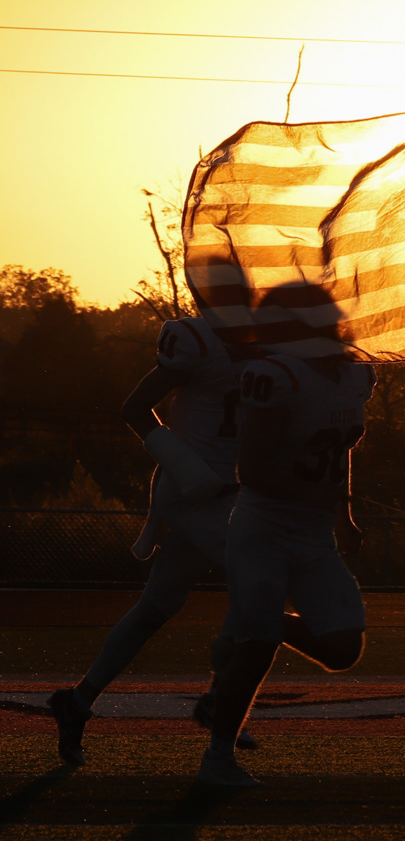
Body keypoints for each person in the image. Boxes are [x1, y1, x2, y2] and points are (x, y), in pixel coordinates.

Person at [50, 316, 261, 765]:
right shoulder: (201, 342)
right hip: (192, 495)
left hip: (230, 497)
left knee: (156, 608)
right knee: (260, 580)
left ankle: (77, 701)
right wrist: (184, 466)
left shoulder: (274, 344)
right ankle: (219, 699)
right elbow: (134, 408)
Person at [193, 307, 374, 789]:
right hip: (264, 531)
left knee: (341, 647)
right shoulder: (277, 376)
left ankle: (254, 630)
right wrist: (311, 495)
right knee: (256, 653)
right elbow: (251, 470)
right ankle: (218, 759)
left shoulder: (354, 376)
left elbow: (341, 451)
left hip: (313, 536)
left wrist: (344, 515)